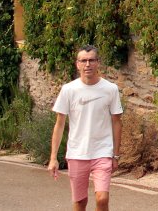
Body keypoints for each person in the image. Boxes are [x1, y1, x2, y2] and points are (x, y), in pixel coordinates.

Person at [48, 45, 123, 211]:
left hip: (102, 151)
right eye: (83, 60)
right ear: (77, 64)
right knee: (80, 202)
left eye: (91, 60)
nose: (87, 64)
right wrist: (53, 157)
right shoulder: (68, 90)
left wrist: (116, 155)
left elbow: (117, 122)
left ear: (98, 63)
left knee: (102, 199)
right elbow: (59, 124)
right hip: (77, 153)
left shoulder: (110, 89)